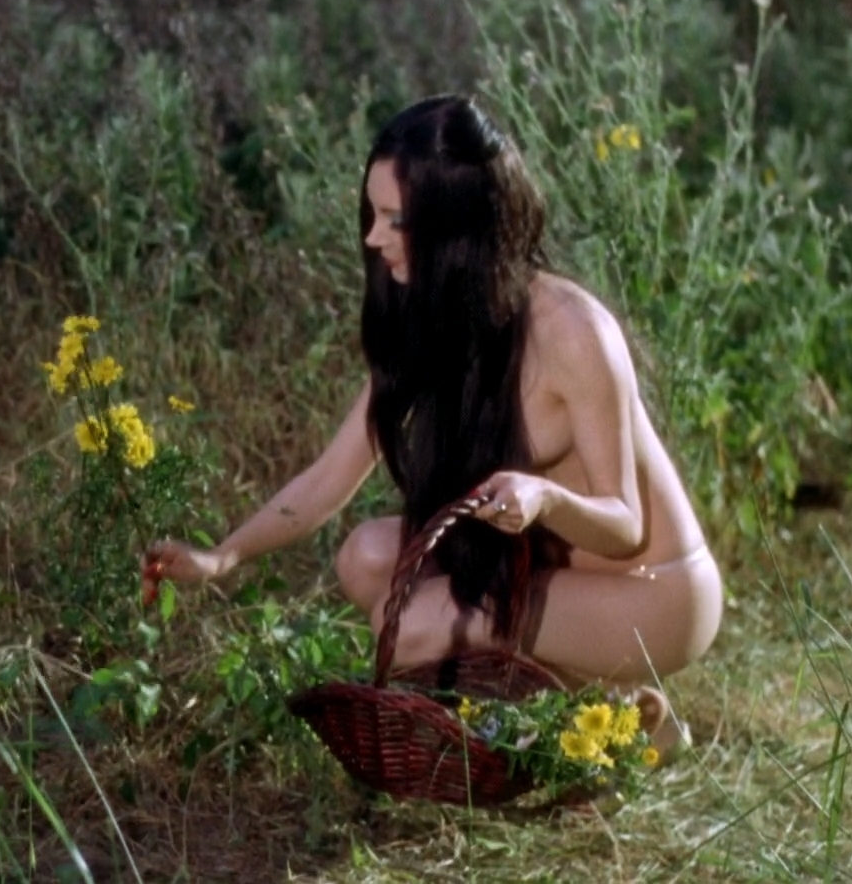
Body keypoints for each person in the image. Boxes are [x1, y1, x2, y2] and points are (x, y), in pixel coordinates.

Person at [144, 95, 720, 756]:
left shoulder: (572, 330)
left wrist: (545, 499)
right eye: (372, 214)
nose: (372, 237)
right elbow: (330, 477)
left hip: (654, 594)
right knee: (365, 559)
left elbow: (624, 528)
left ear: (456, 223)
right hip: (550, 573)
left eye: (395, 219)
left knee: (413, 625)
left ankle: (600, 720)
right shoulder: (434, 314)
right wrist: (223, 556)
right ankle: (616, 714)